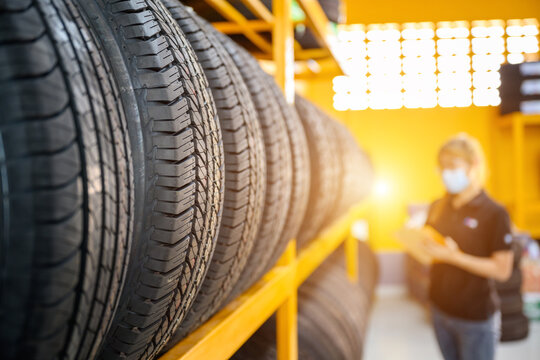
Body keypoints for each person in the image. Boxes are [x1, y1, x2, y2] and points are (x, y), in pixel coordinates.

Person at [421, 133, 514, 360]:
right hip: (439, 309)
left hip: (475, 318)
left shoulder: (495, 213)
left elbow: (502, 271)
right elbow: (428, 247)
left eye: (452, 165)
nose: (445, 173)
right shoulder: (438, 205)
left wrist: (455, 257)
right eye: (441, 167)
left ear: (474, 164)